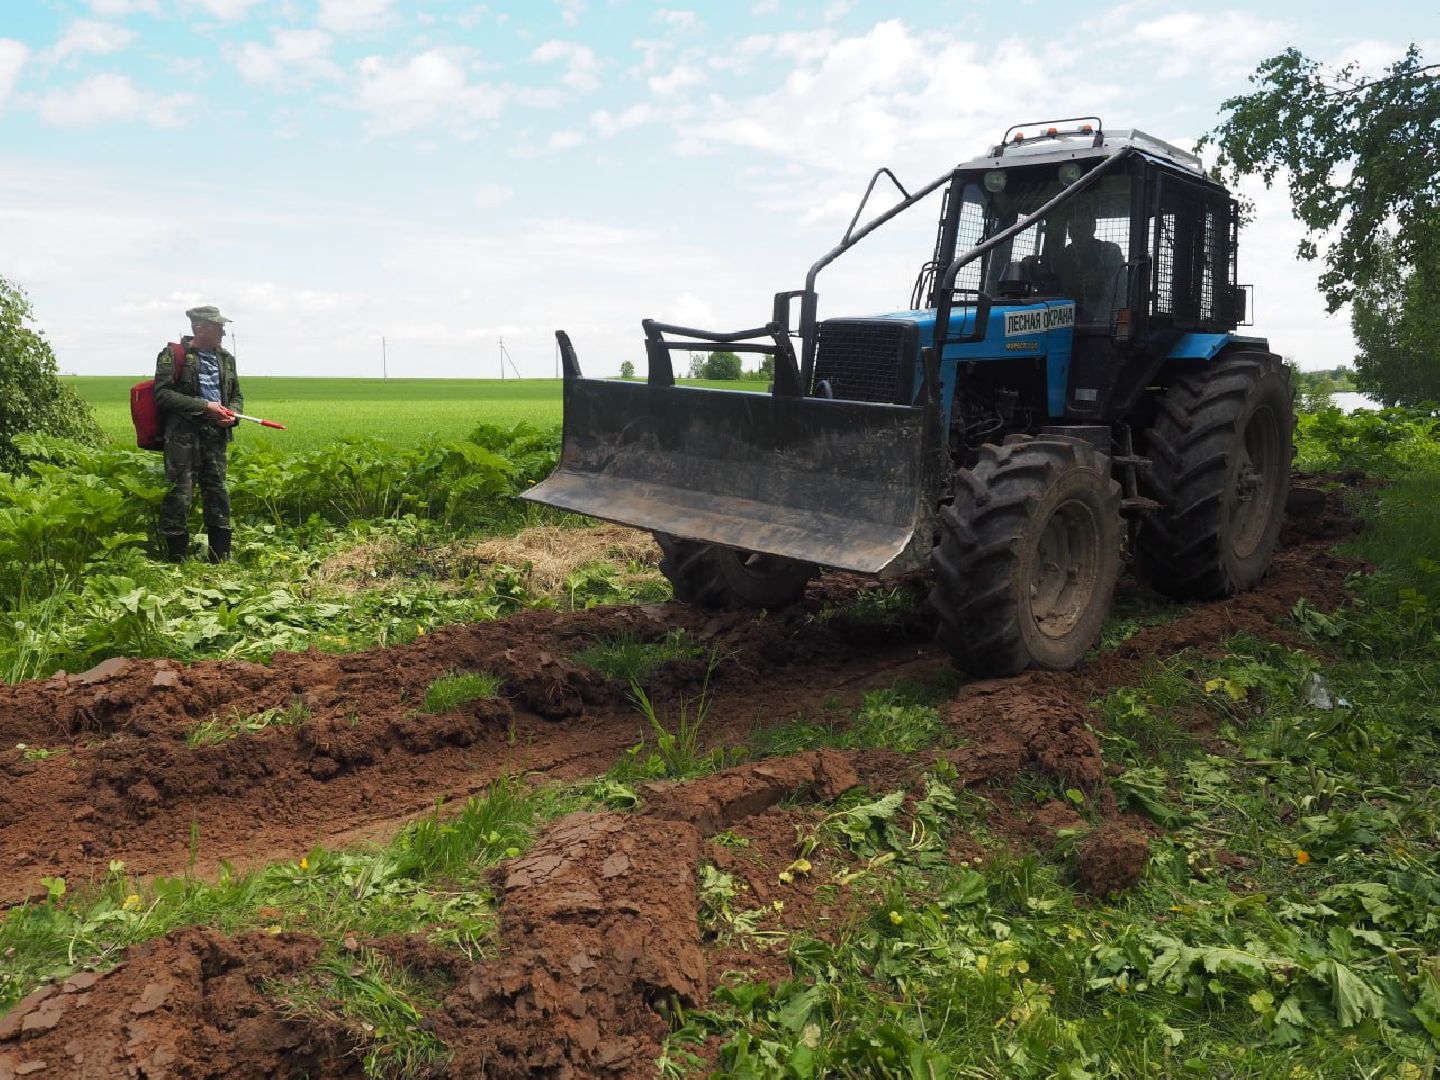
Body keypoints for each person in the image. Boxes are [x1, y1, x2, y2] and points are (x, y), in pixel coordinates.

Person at [154, 305, 242, 562]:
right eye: (218, 327)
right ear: (200, 328)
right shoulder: (174, 354)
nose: (223, 333)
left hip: (216, 438)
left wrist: (232, 415)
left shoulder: (226, 359)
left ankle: (220, 558)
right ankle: (177, 560)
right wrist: (205, 407)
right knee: (179, 496)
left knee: (218, 494)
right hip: (182, 439)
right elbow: (163, 394)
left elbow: (236, 394)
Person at [1053, 206, 1126, 322]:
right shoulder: (1062, 257)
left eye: (1082, 228)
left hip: (1103, 321)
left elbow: (1121, 284)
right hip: (1066, 319)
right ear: (1069, 233)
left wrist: (1100, 278)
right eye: (1072, 229)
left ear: (1092, 229)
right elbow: (1051, 285)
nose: (1077, 233)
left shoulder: (1108, 252)